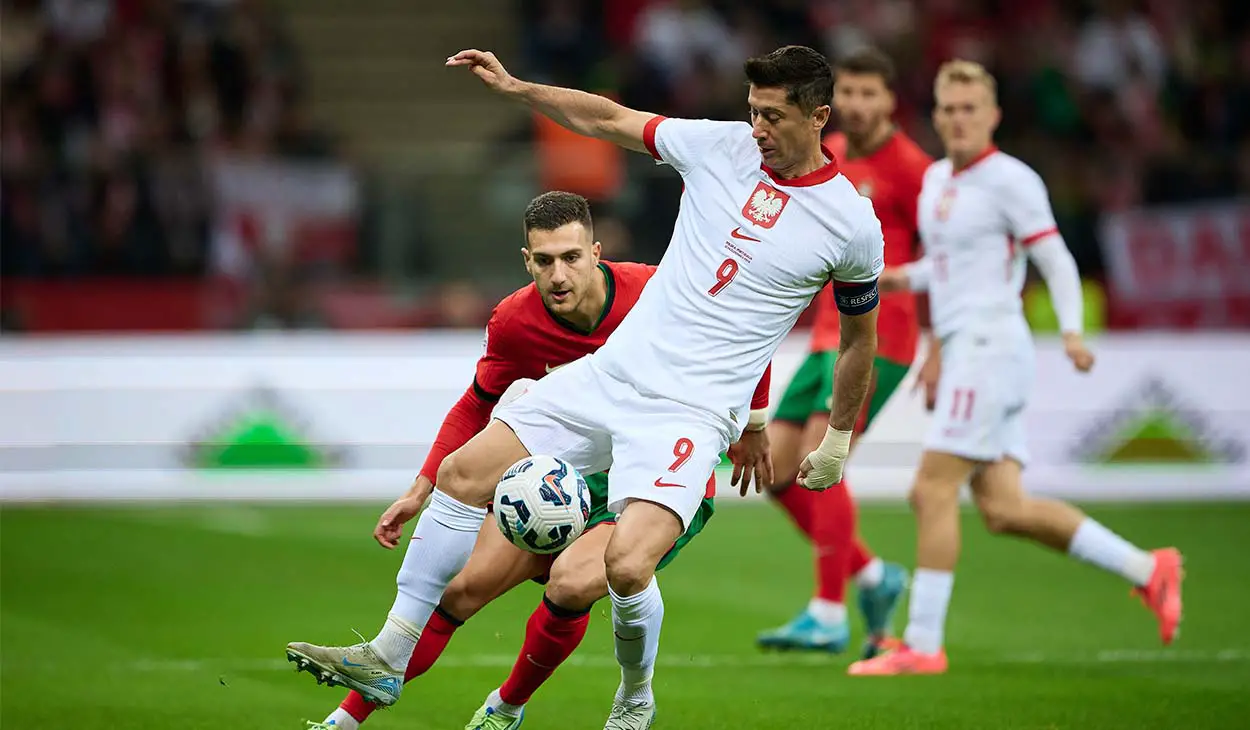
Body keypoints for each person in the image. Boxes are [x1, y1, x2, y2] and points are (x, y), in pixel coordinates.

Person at [290, 43, 885, 730]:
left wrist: (836, 436)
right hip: (610, 377)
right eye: (752, 112)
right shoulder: (718, 146)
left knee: (628, 568)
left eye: (774, 117)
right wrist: (518, 89)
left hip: (689, 414)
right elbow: (607, 118)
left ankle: (634, 697)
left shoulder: (849, 226)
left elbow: (857, 340)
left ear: (819, 117)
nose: (757, 130)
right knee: (461, 473)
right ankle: (388, 654)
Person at [291, 191, 772, 730]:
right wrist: (421, 487)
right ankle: (344, 720)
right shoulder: (515, 321)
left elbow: (744, 337)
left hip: (653, 477)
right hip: (558, 480)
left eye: (571, 257)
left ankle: (516, 704)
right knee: (459, 590)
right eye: (544, 261)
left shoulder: (655, 292)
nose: (558, 275)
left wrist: (753, 424)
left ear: (596, 251)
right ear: (527, 261)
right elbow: (475, 402)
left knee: (570, 583)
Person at [847, 60, 1183, 676]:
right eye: (948, 108)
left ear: (993, 115)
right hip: (967, 345)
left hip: (991, 347)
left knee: (930, 488)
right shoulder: (941, 180)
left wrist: (1075, 332)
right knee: (1004, 508)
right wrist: (901, 279)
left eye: (970, 107)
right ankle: (1148, 568)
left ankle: (922, 644)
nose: (957, 118)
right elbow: (952, 266)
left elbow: (1052, 258)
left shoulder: (1012, 180)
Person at [757, 47, 931, 659]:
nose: (857, 105)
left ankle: (828, 612)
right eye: (848, 94)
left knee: (819, 457)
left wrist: (944, 347)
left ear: (890, 100)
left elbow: (953, 260)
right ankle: (872, 575)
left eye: (868, 94)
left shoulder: (913, 169)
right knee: (776, 469)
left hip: (883, 341)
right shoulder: (829, 159)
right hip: (825, 334)